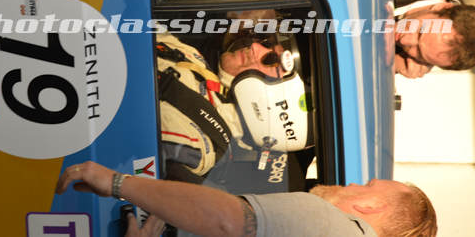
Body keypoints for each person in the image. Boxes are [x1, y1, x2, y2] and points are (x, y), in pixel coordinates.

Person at [55, 161, 438, 237]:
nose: (352, 183)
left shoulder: (329, 225)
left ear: (372, 207)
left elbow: (227, 220)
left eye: (366, 185)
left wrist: (118, 183)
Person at [156, 26, 312, 185]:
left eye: (269, 60)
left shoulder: (196, 146)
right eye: (265, 44)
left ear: (271, 103)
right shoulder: (197, 62)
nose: (254, 46)